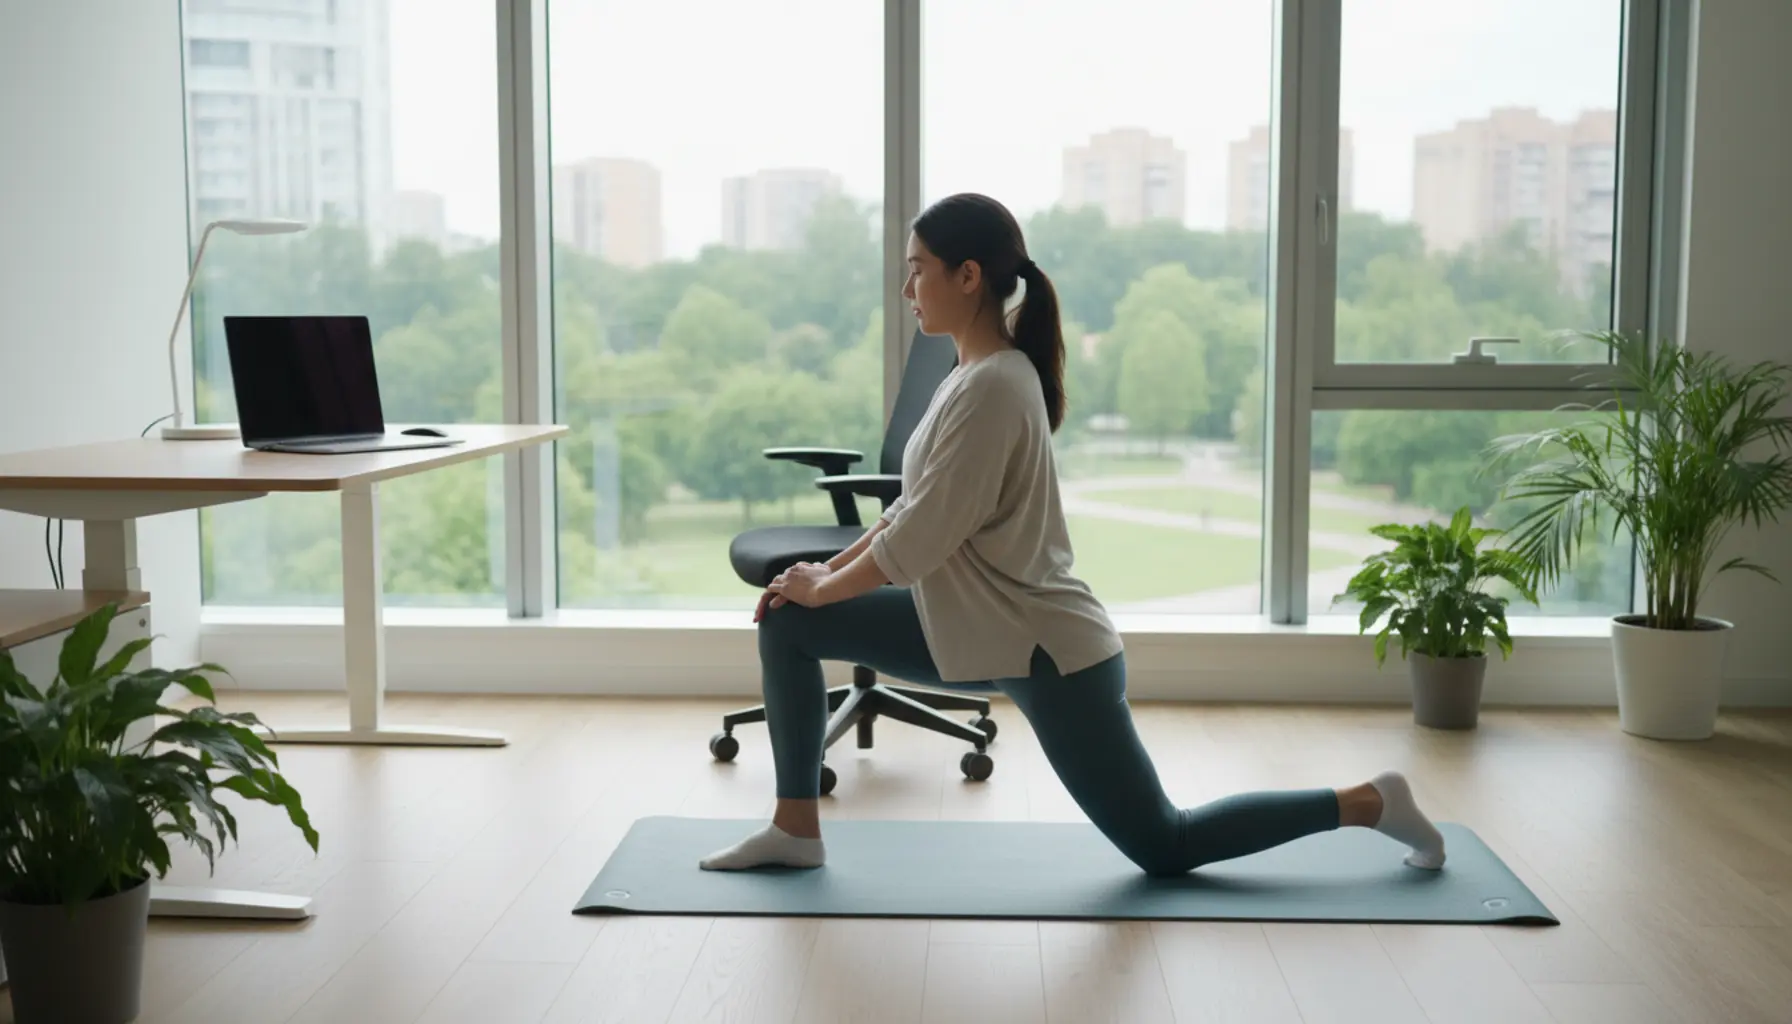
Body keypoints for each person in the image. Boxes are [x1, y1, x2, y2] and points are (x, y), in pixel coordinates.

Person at [700, 193, 1445, 877]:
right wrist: (818, 579)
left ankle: (1370, 803)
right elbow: (906, 511)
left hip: (1046, 649)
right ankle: (796, 830)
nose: (906, 290)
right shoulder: (968, 376)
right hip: (975, 627)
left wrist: (827, 582)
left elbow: (920, 539)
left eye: (916, 271)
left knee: (1165, 843)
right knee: (789, 621)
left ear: (967, 277)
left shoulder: (994, 385)